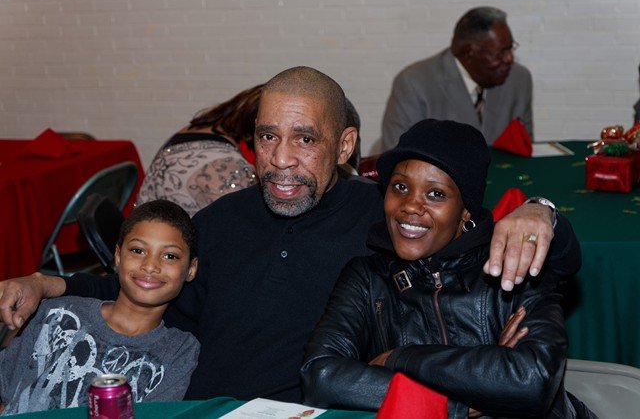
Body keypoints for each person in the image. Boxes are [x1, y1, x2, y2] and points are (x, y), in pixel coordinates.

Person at [0, 67, 578, 403]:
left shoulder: (386, 219)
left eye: (305, 139)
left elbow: (496, 250)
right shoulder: (219, 221)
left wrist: (542, 211)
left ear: (344, 146)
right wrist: (47, 282)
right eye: (267, 136)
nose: (280, 160)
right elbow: (143, 287)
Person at [301, 119, 592, 418]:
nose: (410, 205)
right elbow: (320, 375)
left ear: (465, 210)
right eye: (400, 187)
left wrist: (399, 359)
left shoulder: (513, 267)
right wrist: (462, 401)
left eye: (435, 194)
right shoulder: (367, 278)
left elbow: (531, 381)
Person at [0, 200, 200, 414]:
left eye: (170, 256)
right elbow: (6, 392)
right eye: (138, 250)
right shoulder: (58, 313)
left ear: (191, 269)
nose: (150, 266)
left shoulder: (179, 350)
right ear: (118, 256)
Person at [381, 6, 533, 150]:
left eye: (510, 48)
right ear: (469, 53)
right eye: (500, 53)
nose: (509, 58)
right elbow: (397, 154)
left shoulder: (519, 79)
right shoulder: (414, 83)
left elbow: (525, 147)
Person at [136, 84, 262, 216]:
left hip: (145, 221)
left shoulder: (193, 130)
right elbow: (243, 219)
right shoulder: (229, 167)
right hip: (169, 225)